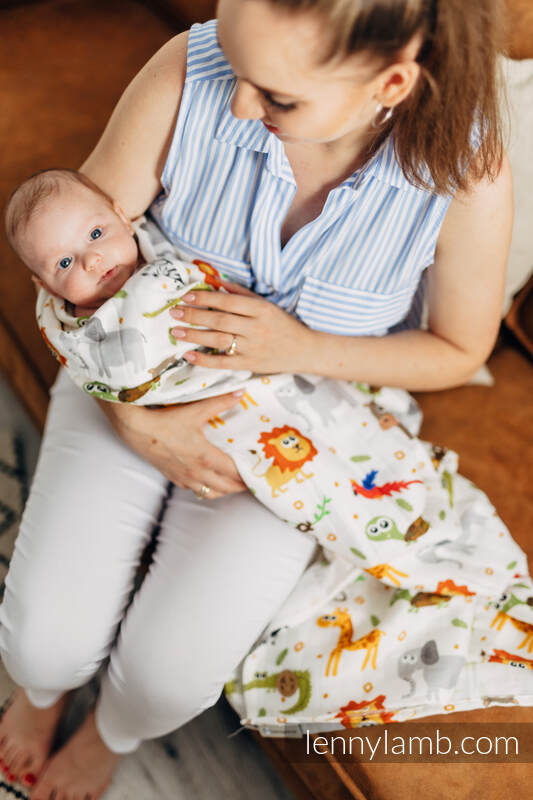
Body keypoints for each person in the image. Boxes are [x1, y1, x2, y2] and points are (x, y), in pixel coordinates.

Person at [0, 0, 512, 798]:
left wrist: (293, 348)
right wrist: (136, 421)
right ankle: (43, 694)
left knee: (169, 675)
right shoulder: (187, 69)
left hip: (301, 422)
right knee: (40, 642)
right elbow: (69, 259)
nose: (235, 103)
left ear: (391, 82)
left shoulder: (461, 172)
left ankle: (111, 734)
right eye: (237, 70)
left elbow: (458, 351)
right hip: (132, 380)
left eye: (276, 96)